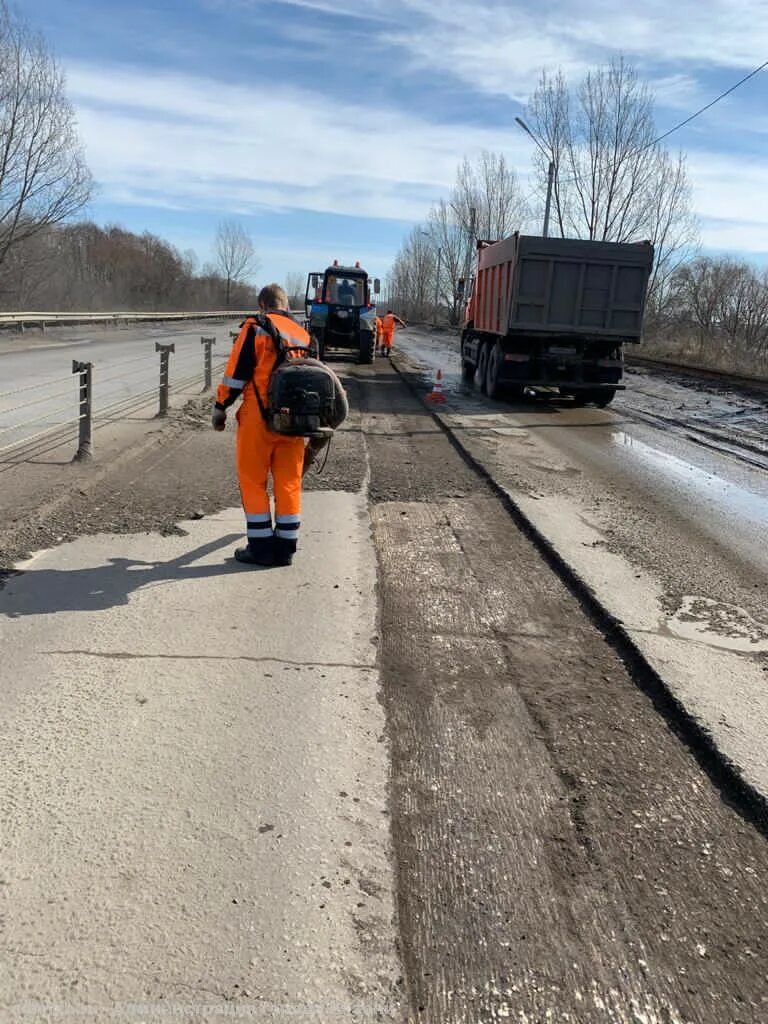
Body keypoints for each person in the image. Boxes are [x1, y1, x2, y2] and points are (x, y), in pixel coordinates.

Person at [212, 284, 314, 568]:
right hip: (293, 422)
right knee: (289, 482)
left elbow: (235, 374)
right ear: (285, 304)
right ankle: (285, 549)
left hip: (259, 418)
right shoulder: (303, 334)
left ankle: (260, 548)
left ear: (262, 304)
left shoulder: (256, 327)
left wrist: (220, 407)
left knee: (253, 482)